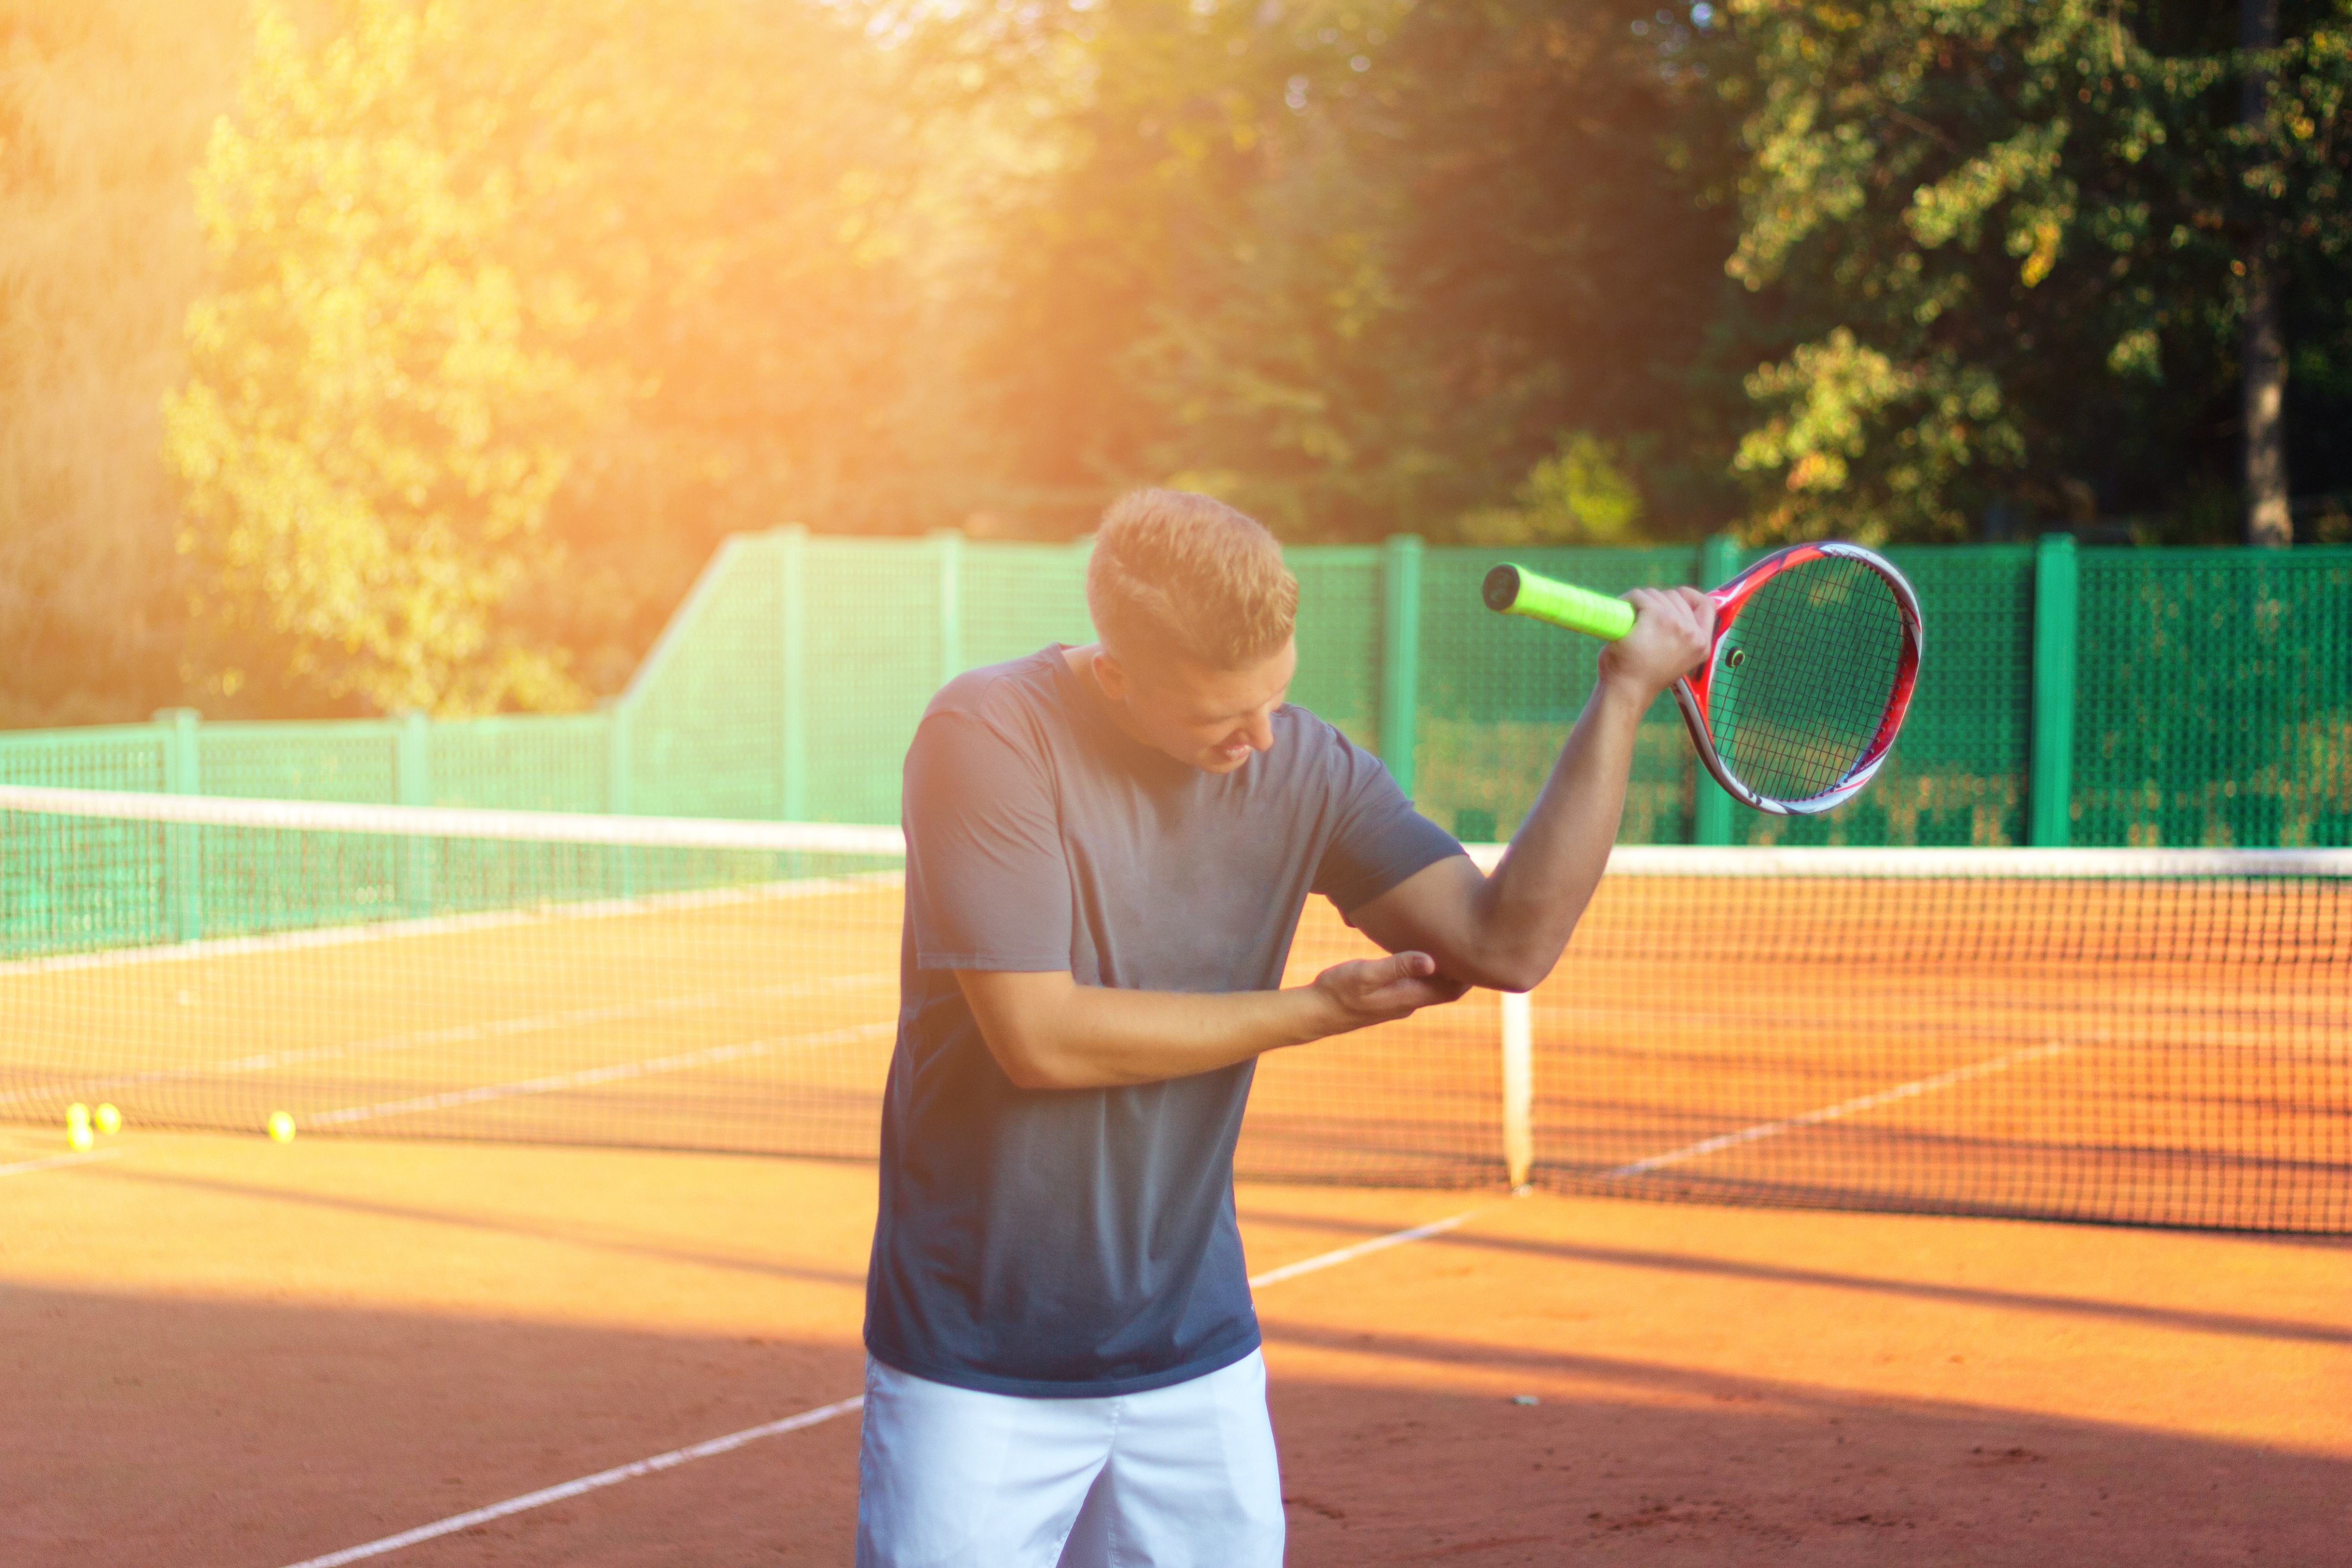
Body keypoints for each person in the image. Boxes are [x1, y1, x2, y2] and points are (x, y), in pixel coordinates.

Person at [858, 489, 1711, 1567]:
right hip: (976, 1364)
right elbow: (1041, 1037)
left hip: (1196, 1355)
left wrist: (1625, 695)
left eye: (1277, 698)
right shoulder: (985, 736)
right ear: (1116, 673)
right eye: (1222, 717)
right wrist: (1317, 1012)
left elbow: (1508, 946)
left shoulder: (1301, 763)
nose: (1260, 739)